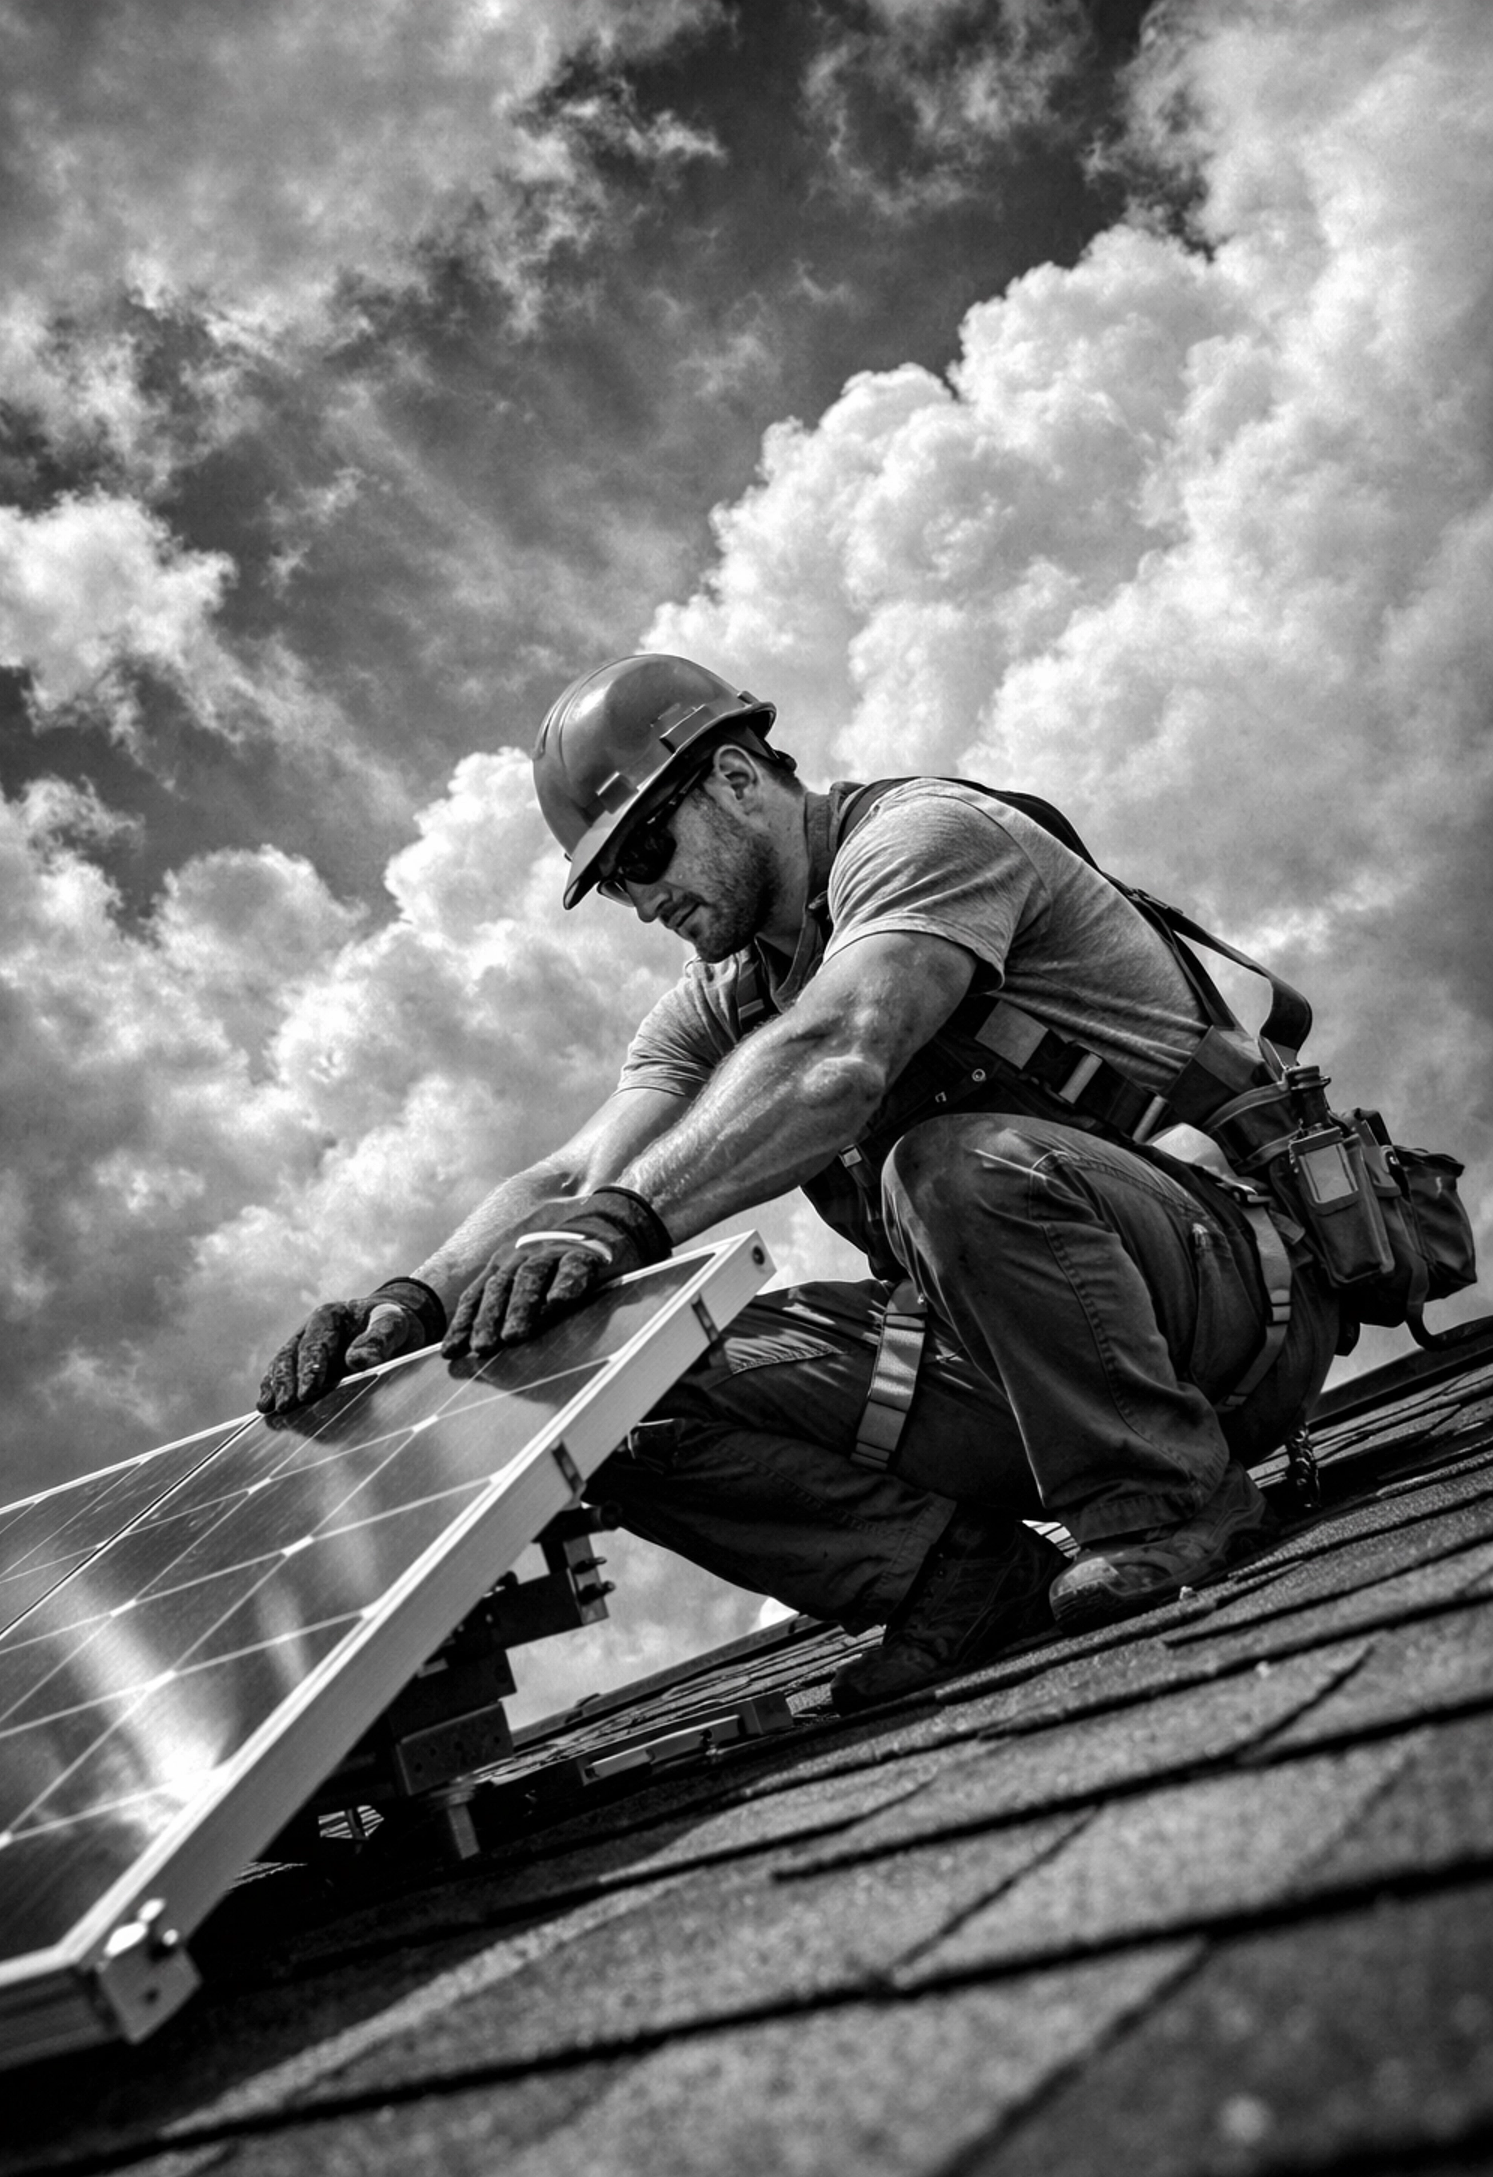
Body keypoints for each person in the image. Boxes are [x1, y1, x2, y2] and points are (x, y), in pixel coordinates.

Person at [258, 654, 1340, 1710]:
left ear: (734, 778)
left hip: (1228, 1301)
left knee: (952, 1165)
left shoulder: (927, 840)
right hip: (1017, 1366)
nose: (644, 900)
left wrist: (629, 1223)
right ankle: (954, 1578)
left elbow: (845, 1049)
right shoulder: (726, 997)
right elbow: (571, 1173)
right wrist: (416, 1298)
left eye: (646, 849)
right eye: (619, 880)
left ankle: (1168, 1502)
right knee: (601, 1386)